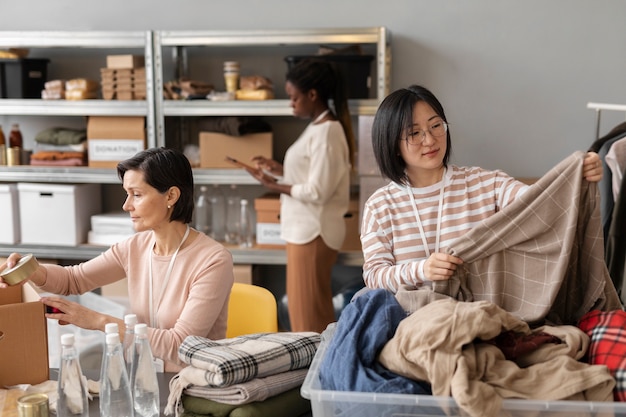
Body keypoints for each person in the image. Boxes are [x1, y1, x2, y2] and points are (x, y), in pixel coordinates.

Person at [0, 147, 234, 372]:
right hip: (141, 376)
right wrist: (30, 270)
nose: (126, 205)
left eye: (137, 195)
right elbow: (74, 279)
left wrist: (99, 321)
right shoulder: (135, 247)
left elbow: (180, 345)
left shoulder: (212, 261)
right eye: (127, 194)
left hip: (192, 387)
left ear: (171, 195)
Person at [361, 84, 604, 293]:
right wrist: (421, 270)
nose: (430, 139)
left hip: (481, 317)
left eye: (436, 126)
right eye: (415, 133)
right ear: (393, 144)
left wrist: (576, 175)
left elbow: (538, 203)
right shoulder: (381, 206)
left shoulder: (485, 184)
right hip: (409, 324)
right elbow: (374, 277)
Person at [243, 59, 355, 333]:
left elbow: (318, 190)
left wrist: (274, 185)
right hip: (305, 233)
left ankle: (316, 374)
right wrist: (279, 171)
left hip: (313, 235)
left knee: (309, 320)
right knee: (305, 313)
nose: (290, 103)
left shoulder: (328, 131)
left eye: (294, 98)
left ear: (313, 95)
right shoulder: (319, 127)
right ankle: (317, 371)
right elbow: (310, 177)